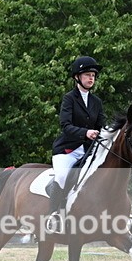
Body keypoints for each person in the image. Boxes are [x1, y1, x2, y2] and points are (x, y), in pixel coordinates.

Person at [47, 56, 107, 233]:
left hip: (88, 151)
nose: (91, 79)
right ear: (77, 77)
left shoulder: (97, 102)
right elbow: (65, 126)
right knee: (62, 176)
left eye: (93, 76)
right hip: (68, 150)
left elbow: (101, 125)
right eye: (87, 75)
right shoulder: (69, 99)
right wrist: (85, 133)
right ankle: (53, 215)